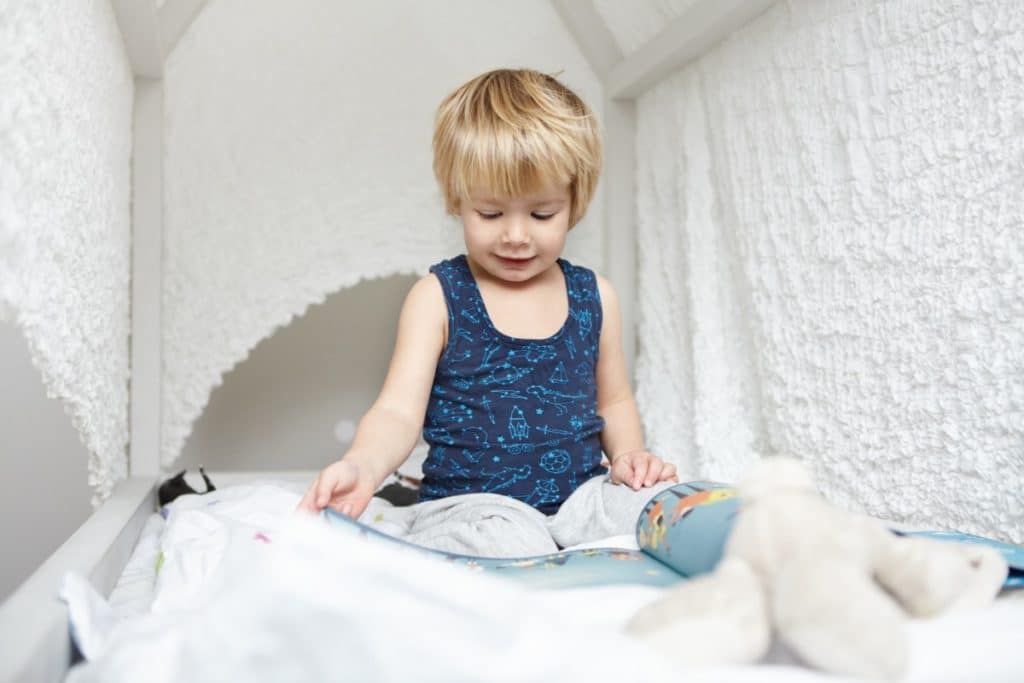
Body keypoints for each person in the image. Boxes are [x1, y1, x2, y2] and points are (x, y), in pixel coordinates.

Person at [298, 68, 676, 532]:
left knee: (662, 506)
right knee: (503, 537)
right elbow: (397, 412)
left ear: (574, 202)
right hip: (472, 508)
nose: (515, 236)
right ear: (458, 201)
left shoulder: (595, 296)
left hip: (580, 501)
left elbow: (614, 401)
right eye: (490, 213)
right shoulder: (438, 297)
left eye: (542, 213)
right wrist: (361, 466)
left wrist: (630, 459)